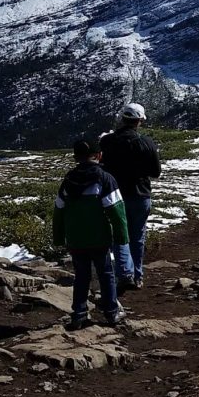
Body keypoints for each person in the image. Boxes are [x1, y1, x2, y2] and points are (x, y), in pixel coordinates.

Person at [53, 138, 129, 329]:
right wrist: (122, 237)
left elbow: (58, 210)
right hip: (99, 237)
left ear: (75, 157)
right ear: (99, 155)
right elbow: (117, 210)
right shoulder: (104, 179)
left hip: (75, 239)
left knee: (81, 275)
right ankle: (111, 312)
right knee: (105, 274)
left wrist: (59, 237)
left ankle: (79, 314)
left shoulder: (68, 180)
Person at [101, 103, 161, 290]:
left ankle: (123, 273)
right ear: (139, 121)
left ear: (122, 118)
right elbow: (156, 172)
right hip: (140, 194)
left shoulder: (107, 141)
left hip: (114, 195)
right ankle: (137, 275)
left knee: (119, 234)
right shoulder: (147, 143)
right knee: (137, 235)